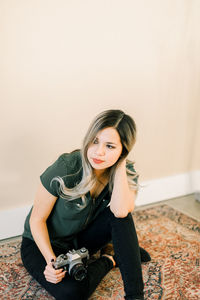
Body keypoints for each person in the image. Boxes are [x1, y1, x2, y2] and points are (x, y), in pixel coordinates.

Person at [21, 109, 151, 300]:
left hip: (80, 242)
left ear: (123, 150)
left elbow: (121, 211)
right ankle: (111, 259)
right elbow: (36, 220)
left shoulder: (124, 171)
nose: (99, 152)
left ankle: (135, 297)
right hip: (42, 242)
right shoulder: (66, 166)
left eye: (110, 146)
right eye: (95, 141)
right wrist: (51, 262)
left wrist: (120, 164)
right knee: (72, 293)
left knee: (122, 218)